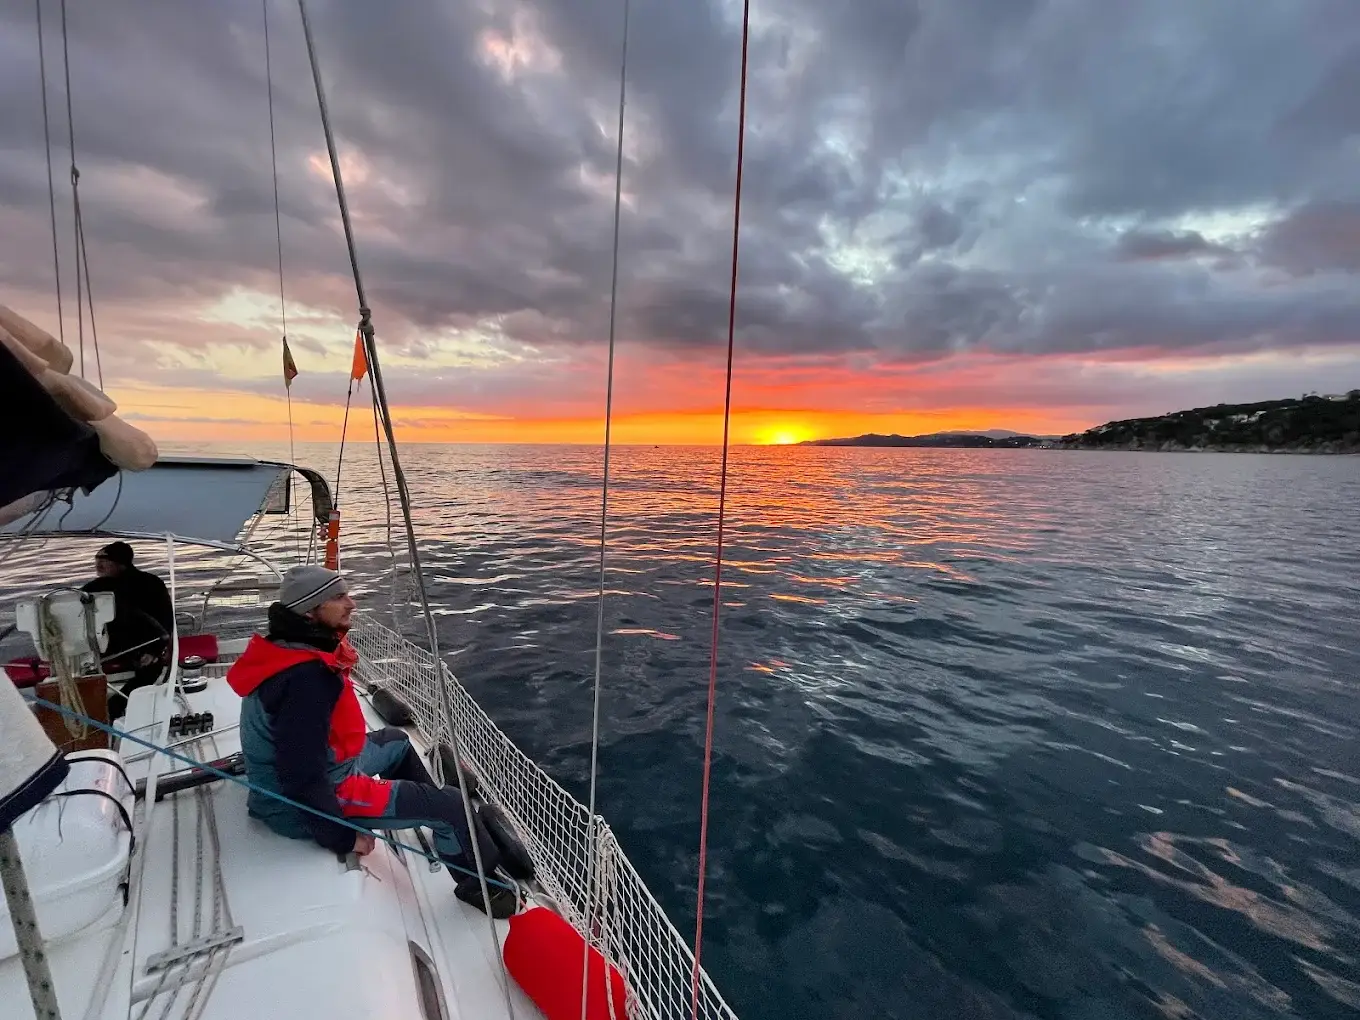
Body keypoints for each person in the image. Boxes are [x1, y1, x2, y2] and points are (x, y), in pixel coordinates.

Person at [225, 565, 514, 916]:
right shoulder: (306, 680)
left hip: (329, 771)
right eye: (337, 597)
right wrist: (345, 838)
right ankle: (484, 890)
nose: (352, 603)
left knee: (397, 741)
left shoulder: (290, 649)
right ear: (309, 612)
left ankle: (428, 815)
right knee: (452, 806)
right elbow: (302, 778)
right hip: (302, 803)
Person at [81, 541, 174, 719]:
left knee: (151, 668)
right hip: (109, 643)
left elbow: (166, 618)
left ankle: (116, 705)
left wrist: (155, 649)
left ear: (121, 562)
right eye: (96, 559)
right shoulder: (94, 588)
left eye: (104, 559)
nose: (98, 564)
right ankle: (85, 708)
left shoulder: (150, 583)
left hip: (145, 642)